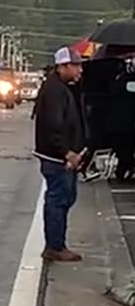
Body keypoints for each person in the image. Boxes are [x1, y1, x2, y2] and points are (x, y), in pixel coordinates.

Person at [33, 46, 87, 262]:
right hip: (57, 157)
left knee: (66, 197)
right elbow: (53, 126)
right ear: (63, 66)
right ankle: (54, 246)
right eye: (76, 66)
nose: (80, 71)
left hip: (62, 155)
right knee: (58, 198)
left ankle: (57, 243)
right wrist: (66, 153)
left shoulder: (63, 87)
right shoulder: (54, 91)